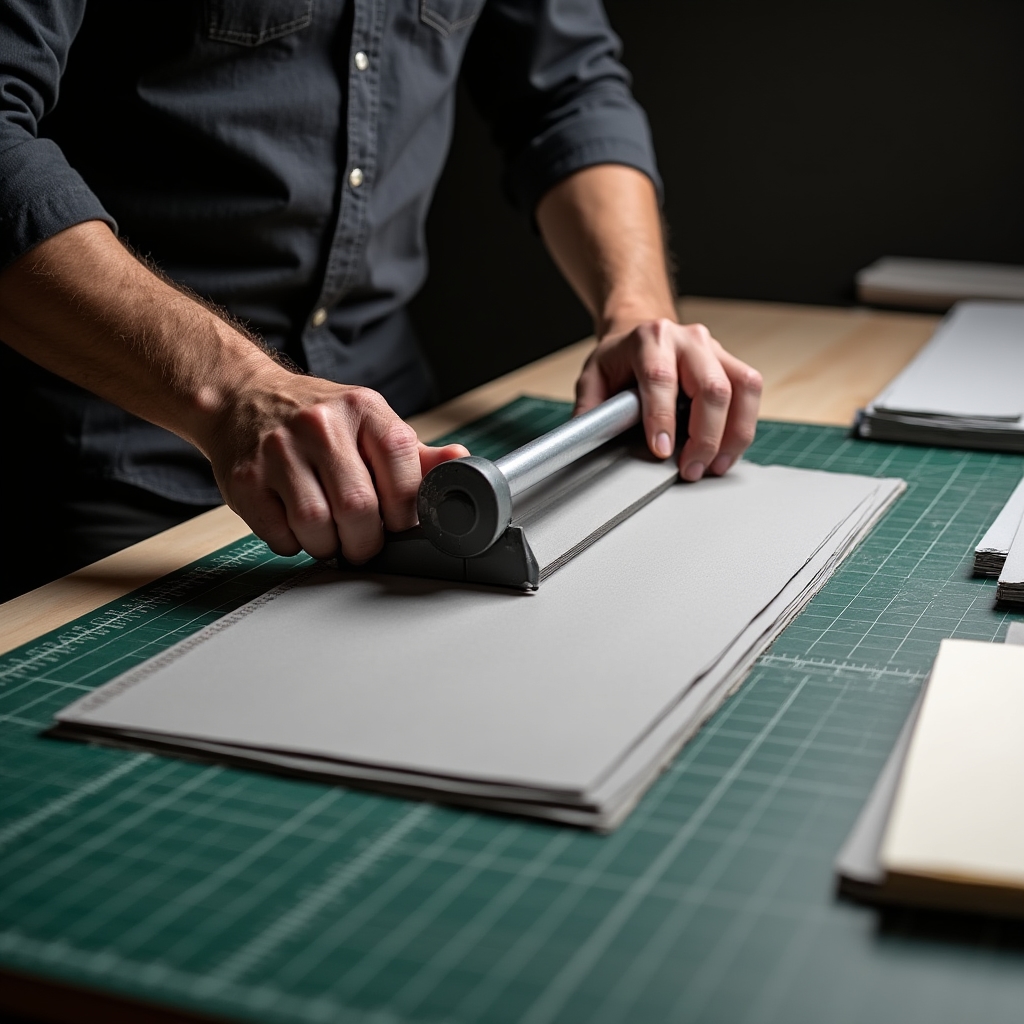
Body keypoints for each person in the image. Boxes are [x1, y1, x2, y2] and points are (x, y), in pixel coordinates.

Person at [0, 0, 762, 602]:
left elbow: (569, 94)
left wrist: (636, 309)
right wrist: (236, 391)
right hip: (109, 465)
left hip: (404, 446)